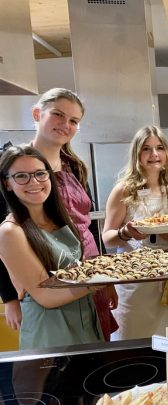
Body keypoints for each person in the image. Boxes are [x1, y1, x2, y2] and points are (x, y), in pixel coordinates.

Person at [0, 88, 117, 340]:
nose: (66, 125)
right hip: (47, 277)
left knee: (94, 345)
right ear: (36, 114)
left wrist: (105, 277)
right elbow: (4, 243)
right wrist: (9, 298)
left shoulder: (75, 166)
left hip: (89, 270)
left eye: (74, 121)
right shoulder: (13, 167)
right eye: (58, 115)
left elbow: (88, 226)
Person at [0, 145, 103, 349]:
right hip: (51, 330)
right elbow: (45, 296)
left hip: (84, 318)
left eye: (40, 173)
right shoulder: (11, 231)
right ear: (7, 184)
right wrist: (97, 282)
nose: (34, 182)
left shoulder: (58, 217)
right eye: (21, 176)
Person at [102, 126, 168, 339]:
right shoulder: (124, 190)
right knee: (132, 343)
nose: (154, 154)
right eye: (146, 149)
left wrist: (164, 230)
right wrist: (126, 233)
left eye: (159, 148)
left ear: (167, 153)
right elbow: (107, 239)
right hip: (135, 283)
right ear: (137, 154)